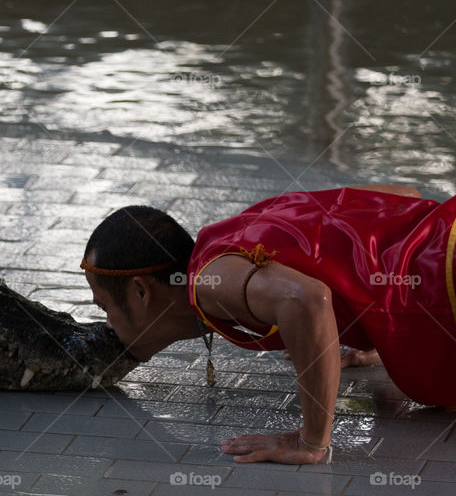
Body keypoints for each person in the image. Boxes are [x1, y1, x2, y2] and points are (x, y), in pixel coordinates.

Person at [81, 185, 456, 465]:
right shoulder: (235, 231)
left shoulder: (207, 283)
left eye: (104, 308)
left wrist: (310, 441)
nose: (108, 326)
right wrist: (371, 331)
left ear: (140, 293)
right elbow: (397, 197)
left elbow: (306, 300)